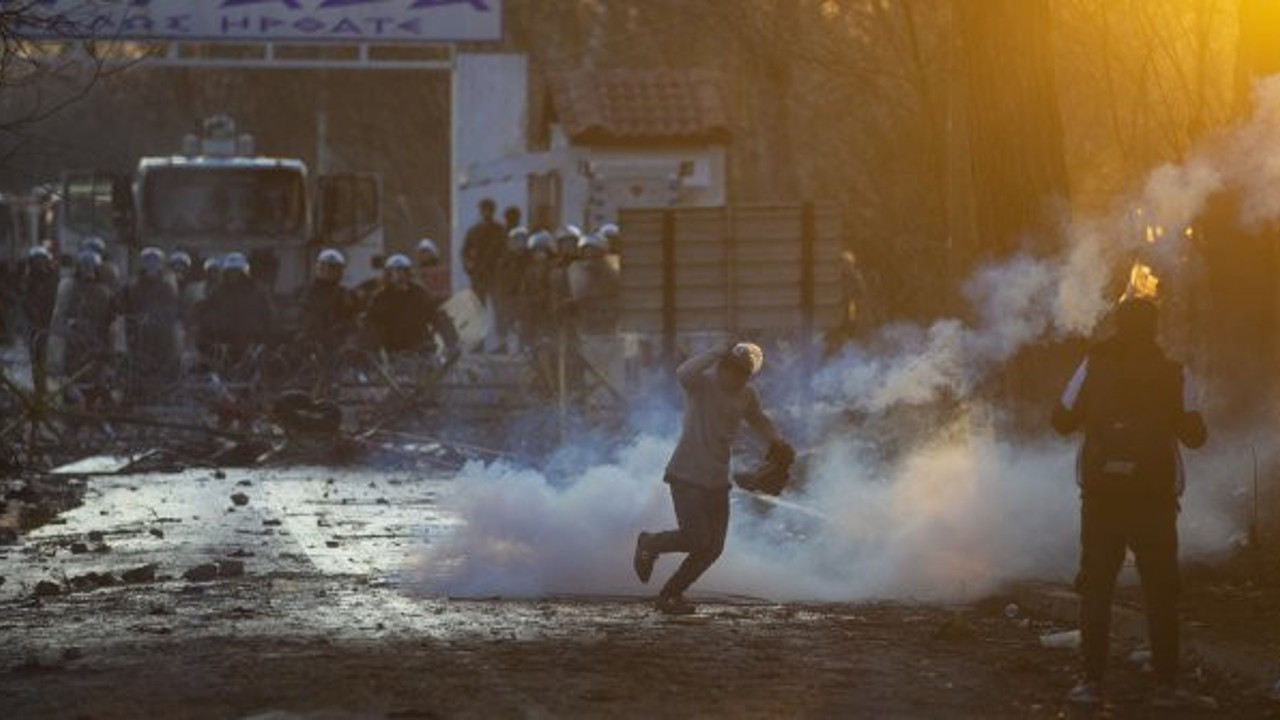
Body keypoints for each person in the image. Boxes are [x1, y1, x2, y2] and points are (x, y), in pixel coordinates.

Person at [1052, 296, 1207, 708]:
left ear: (1117, 326)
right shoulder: (1175, 372)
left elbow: (1061, 420)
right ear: (1155, 329)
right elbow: (1196, 435)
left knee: (1097, 588)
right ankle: (1166, 688)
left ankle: (1090, 684)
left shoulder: (1093, 365)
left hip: (1102, 499)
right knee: (1161, 592)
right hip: (1154, 501)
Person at [633, 343, 794, 615]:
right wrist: (717, 350)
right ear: (723, 367)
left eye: (745, 374)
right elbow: (683, 372)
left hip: (717, 479)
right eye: (735, 371)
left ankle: (670, 596)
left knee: (713, 548)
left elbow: (758, 420)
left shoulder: (746, 395)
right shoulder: (701, 385)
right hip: (686, 474)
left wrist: (777, 442)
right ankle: (649, 544)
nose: (739, 378)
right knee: (696, 538)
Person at [50, 249, 119, 407]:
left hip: (96, 341)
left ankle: (96, 402)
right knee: (72, 374)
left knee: (95, 374)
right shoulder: (69, 287)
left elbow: (112, 318)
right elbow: (60, 314)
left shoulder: (105, 291)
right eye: (84, 266)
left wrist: (108, 342)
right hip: (74, 340)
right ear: (78, 268)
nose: (88, 270)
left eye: (91, 266)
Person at [364, 254, 459, 357]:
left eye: (402, 272)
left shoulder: (420, 294)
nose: (398, 276)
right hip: (395, 354)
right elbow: (370, 327)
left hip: (422, 350)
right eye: (394, 272)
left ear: (408, 273)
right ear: (387, 275)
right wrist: (371, 354)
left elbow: (438, 318)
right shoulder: (380, 298)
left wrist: (451, 342)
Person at [121, 246, 181, 392]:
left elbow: (174, 309)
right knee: (139, 363)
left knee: (165, 364)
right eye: (148, 263)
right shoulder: (133, 287)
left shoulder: (167, 286)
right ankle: (137, 390)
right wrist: (134, 321)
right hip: (140, 333)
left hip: (163, 334)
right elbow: (125, 308)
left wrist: (160, 317)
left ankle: (167, 389)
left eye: (155, 263)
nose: (152, 267)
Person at [200, 251, 276, 367]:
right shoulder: (218, 292)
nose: (233, 275)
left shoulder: (259, 291)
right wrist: (213, 325)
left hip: (251, 342)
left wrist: (266, 339)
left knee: (251, 374)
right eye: (230, 272)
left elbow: (269, 315)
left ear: (243, 272)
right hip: (225, 342)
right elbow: (205, 311)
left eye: (236, 272)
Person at [19, 246, 59, 394]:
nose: (39, 264)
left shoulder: (51, 277)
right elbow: (26, 302)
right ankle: (40, 388)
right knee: (37, 357)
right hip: (36, 324)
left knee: (45, 357)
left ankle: (42, 388)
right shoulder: (30, 281)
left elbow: (54, 300)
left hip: (48, 323)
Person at [460, 198, 505, 305]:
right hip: (478, 273)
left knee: (499, 305)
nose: (486, 212)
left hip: (495, 273)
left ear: (493, 211)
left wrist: (501, 266)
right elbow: (464, 251)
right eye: (484, 210)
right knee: (478, 307)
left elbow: (505, 250)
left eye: (489, 210)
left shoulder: (499, 230)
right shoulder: (474, 231)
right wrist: (468, 265)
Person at [493, 226, 530, 353]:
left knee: (523, 322)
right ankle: (503, 344)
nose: (519, 243)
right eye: (516, 240)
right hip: (507, 296)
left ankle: (523, 345)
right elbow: (499, 279)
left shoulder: (529, 259)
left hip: (524, 296)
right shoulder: (504, 260)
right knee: (504, 320)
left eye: (522, 240)